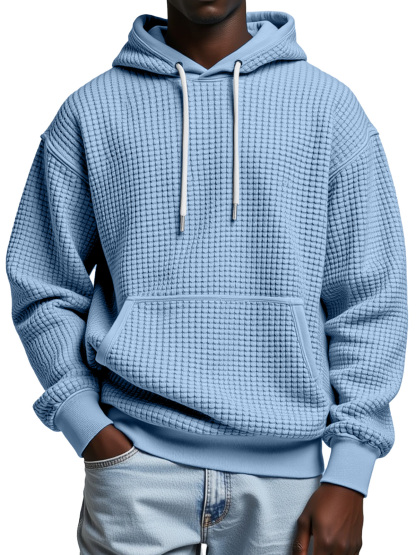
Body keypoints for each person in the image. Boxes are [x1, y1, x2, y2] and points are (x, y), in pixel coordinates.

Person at [5, 1, 408, 554]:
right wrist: (89, 429)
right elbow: (42, 283)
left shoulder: (329, 108)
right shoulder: (91, 111)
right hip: (134, 474)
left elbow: (370, 299)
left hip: (288, 487)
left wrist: (351, 470)